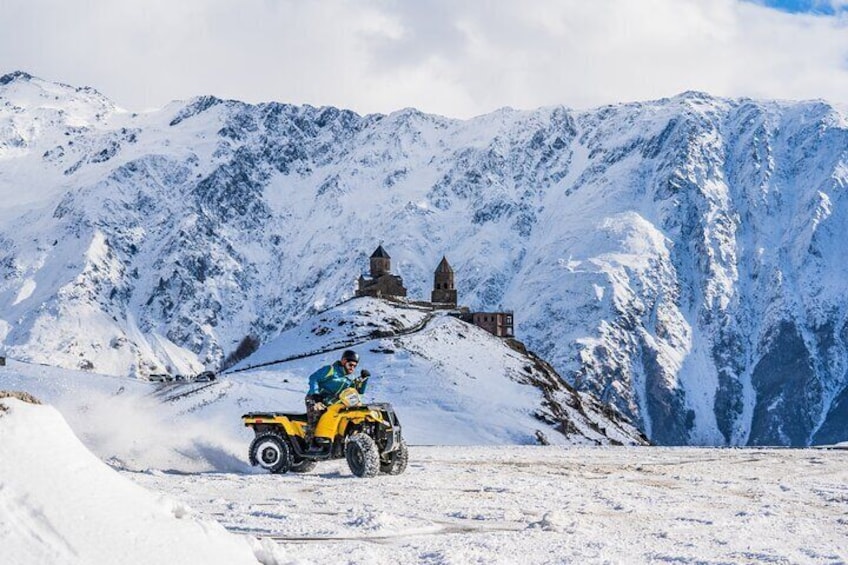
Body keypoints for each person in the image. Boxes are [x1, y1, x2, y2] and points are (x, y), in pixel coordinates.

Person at [304, 349, 369, 444]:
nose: (352, 368)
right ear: (343, 361)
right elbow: (314, 378)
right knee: (316, 415)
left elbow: (358, 392)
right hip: (316, 399)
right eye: (350, 365)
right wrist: (315, 394)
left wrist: (364, 380)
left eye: (355, 366)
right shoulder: (330, 370)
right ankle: (310, 443)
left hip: (331, 402)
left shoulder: (347, 381)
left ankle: (338, 441)